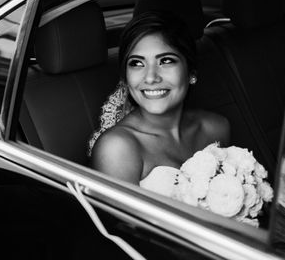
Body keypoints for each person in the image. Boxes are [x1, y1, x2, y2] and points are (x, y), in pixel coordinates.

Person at [87, 11, 230, 192]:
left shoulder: (216, 127)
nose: (151, 77)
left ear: (191, 73)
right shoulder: (117, 149)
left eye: (166, 61)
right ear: (126, 78)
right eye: (137, 64)